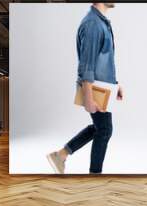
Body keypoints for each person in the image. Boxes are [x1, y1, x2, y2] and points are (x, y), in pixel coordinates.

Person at [47, 3, 123, 174]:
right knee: (104, 130)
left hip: (102, 88)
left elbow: (104, 61)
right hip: (94, 89)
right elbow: (87, 65)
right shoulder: (93, 24)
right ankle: (94, 175)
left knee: (101, 128)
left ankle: (61, 155)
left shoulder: (100, 22)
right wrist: (88, 97)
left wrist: (115, 84)